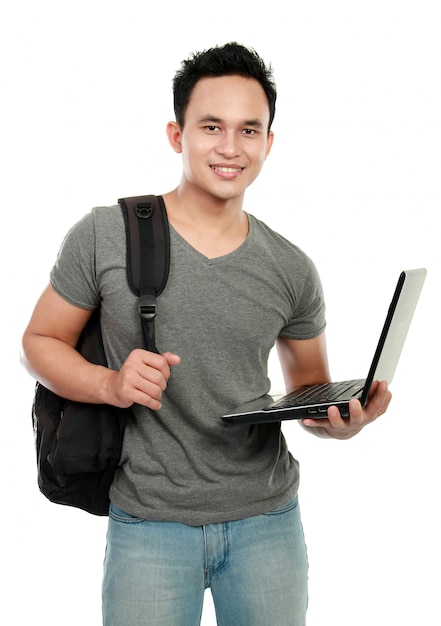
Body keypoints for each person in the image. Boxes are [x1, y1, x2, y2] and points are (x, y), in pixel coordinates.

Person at [21, 42, 392, 626]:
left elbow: (308, 392)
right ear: (177, 134)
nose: (230, 147)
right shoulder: (104, 235)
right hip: (149, 524)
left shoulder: (291, 268)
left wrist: (343, 421)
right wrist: (111, 384)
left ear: (269, 142)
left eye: (250, 130)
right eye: (211, 126)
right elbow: (39, 342)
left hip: (267, 523)